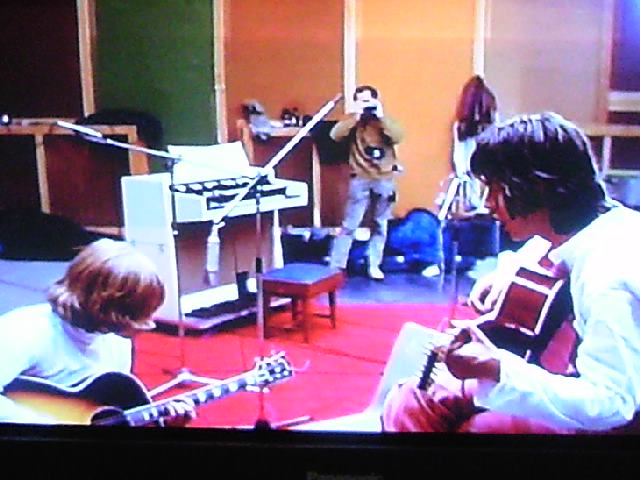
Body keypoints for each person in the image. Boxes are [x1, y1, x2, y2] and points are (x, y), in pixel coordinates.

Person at [382, 111, 640, 434]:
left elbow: (613, 404)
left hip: (616, 420)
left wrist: (498, 367)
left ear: (536, 187)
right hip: (573, 381)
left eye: (494, 188)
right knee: (411, 401)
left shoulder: (608, 275)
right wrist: (507, 271)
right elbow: (545, 245)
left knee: (481, 429)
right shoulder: (599, 222)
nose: (487, 203)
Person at [0, 238, 195, 425]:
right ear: (110, 309)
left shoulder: (118, 342)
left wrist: (163, 423)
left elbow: (107, 411)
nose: (149, 323)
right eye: (138, 311)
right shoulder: (22, 331)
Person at [328, 85, 404, 281]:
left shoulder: (384, 122)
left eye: (368, 100)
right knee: (350, 224)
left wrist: (381, 116)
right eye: (361, 100)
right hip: (360, 177)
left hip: (384, 178)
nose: (365, 104)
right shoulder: (353, 122)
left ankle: (374, 264)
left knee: (380, 224)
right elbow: (335, 135)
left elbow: (398, 136)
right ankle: (336, 266)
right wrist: (355, 116)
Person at [439, 75, 498, 218]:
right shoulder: (491, 129)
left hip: (468, 188)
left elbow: (459, 163)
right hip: (478, 187)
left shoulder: (460, 127)